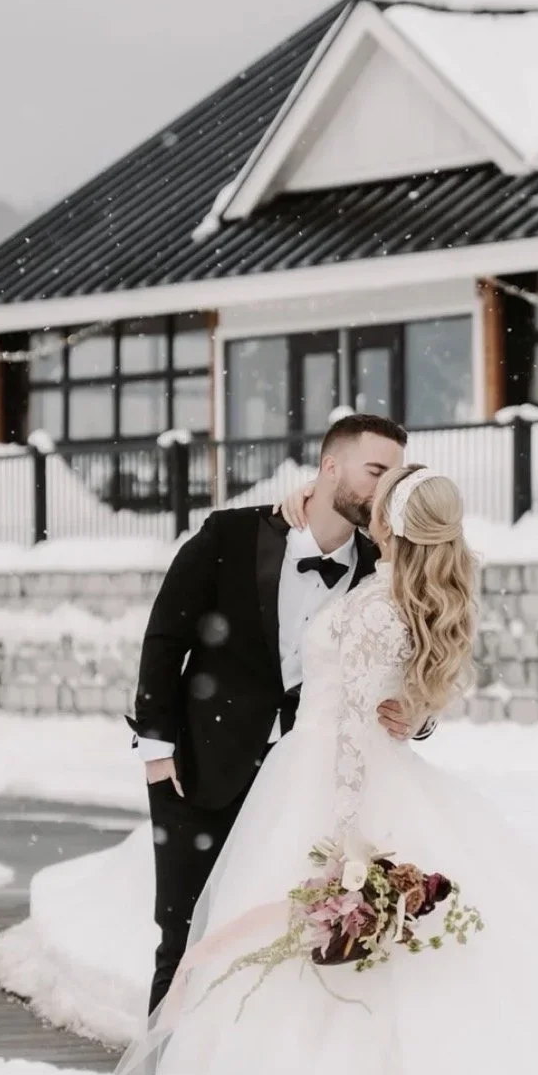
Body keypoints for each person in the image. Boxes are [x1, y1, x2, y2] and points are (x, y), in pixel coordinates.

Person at [119, 466, 538, 1075]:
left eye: (381, 495)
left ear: (388, 518)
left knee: (328, 965)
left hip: (330, 782)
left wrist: (347, 850)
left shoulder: (381, 604)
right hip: (326, 771)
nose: (369, 500)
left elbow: (354, 734)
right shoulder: (402, 587)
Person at [129, 413, 434, 1013]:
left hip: (305, 784)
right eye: (375, 470)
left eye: (393, 476)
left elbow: (416, 660)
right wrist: (157, 751)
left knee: (284, 936)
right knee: (185, 932)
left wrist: (418, 715)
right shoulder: (231, 536)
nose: (384, 488)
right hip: (200, 769)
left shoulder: (385, 568)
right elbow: (166, 637)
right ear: (328, 467)